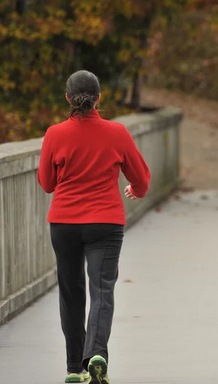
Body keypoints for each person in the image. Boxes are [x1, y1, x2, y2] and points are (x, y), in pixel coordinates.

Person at [38, 70, 151, 384]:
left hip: (63, 222)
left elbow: (47, 183)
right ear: (99, 97)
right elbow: (140, 177)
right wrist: (136, 191)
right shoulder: (117, 133)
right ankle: (96, 353)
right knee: (102, 290)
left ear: (67, 98)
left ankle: (74, 368)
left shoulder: (54, 134)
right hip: (105, 221)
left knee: (71, 294)